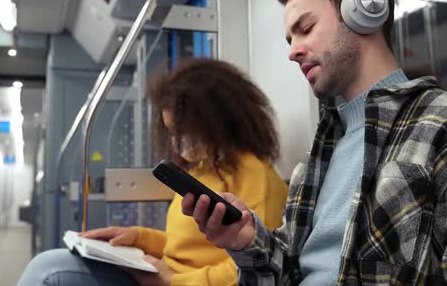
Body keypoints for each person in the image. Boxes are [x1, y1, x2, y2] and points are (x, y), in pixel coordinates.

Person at [182, 0, 447, 285]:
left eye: (305, 28)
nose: (292, 51)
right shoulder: (319, 155)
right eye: (291, 39)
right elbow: (291, 274)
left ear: (364, 11)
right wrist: (246, 240)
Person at [17, 58, 289, 286]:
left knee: (49, 272)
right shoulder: (204, 169)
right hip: (160, 275)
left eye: (184, 132)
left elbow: (258, 266)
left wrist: (173, 281)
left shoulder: (257, 177)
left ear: (218, 121)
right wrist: (138, 237)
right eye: (172, 134)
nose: (178, 144)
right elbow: (185, 247)